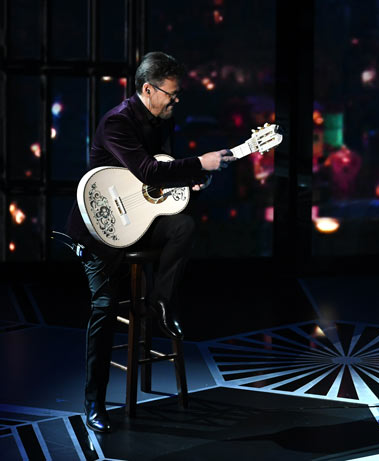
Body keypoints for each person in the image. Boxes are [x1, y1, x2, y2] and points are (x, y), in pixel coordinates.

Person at [66, 51, 235, 432]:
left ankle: (160, 301)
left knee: (184, 226)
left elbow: (161, 175)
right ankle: (95, 401)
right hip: (102, 228)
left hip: (139, 223)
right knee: (105, 308)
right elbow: (146, 170)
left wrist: (194, 179)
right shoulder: (117, 122)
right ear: (148, 89)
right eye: (172, 94)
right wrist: (200, 163)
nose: (177, 101)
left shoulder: (161, 120)